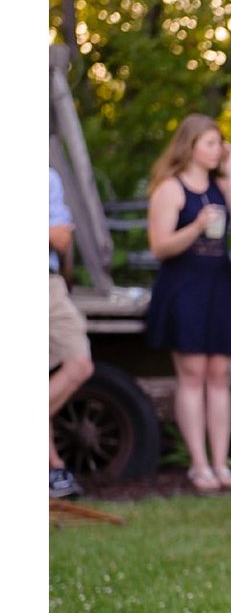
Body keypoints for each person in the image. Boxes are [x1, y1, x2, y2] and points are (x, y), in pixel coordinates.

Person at [142, 112, 231, 492]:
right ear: (189, 146)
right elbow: (160, 247)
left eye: (219, 142)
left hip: (219, 287)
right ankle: (198, 464)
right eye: (210, 143)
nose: (217, 148)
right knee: (192, 376)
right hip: (184, 289)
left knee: (219, 376)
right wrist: (194, 226)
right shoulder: (170, 189)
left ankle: (222, 463)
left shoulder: (221, 186)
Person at [50, 159, 91, 499]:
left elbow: (62, 239)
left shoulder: (46, 177)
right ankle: (52, 469)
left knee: (79, 362)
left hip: (48, 283)